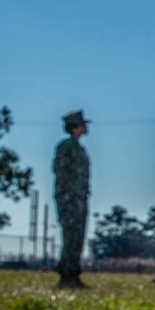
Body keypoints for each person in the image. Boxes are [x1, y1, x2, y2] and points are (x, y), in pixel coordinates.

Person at [53, 110, 91, 289]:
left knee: (78, 237)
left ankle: (73, 273)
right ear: (76, 127)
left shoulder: (78, 148)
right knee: (70, 237)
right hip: (70, 200)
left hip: (79, 199)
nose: (86, 127)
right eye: (83, 124)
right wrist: (66, 199)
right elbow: (61, 174)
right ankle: (67, 275)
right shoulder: (66, 147)